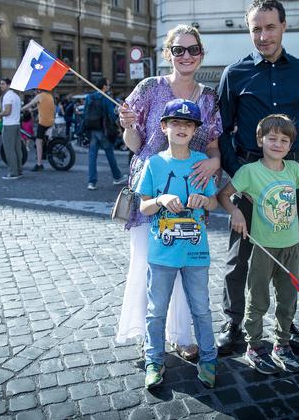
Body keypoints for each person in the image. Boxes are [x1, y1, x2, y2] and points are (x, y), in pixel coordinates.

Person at [215, 0, 299, 356]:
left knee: (284, 255)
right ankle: (234, 325)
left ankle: (284, 326)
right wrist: (241, 172)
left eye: (270, 27)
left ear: (284, 26)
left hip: (291, 180)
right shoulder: (234, 74)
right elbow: (221, 130)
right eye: (255, 29)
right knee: (239, 259)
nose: (263, 36)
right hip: (249, 182)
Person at [116, 24, 223, 361]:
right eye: (179, 50)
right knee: (150, 264)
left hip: (191, 186)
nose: (186, 56)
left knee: (183, 261)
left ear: (201, 54)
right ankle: (149, 336)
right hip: (151, 187)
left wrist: (213, 164)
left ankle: (181, 334)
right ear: (168, 54)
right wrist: (129, 125)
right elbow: (134, 146)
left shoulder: (208, 96)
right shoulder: (148, 87)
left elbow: (215, 147)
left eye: (192, 50)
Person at [136, 98, 218, 390]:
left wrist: (203, 200)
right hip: (162, 252)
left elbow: (214, 201)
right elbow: (144, 206)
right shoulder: (155, 163)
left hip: (196, 251)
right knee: (156, 310)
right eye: (175, 123)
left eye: (188, 124)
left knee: (201, 309)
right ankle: (154, 361)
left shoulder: (200, 163)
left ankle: (209, 358)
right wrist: (159, 200)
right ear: (164, 127)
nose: (181, 128)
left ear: (194, 129)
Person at [218, 114, 299, 374]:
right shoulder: (249, 172)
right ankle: (254, 346)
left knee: (288, 299)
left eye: (284, 140)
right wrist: (236, 212)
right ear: (260, 140)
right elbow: (223, 195)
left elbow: (298, 195)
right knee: (258, 299)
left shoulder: (295, 169)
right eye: (272, 138)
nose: (278, 144)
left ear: (290, 145)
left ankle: (282, 344)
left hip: (292, 246)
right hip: (263, 248)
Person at [82, 78, 128, 189]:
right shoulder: (106, 98)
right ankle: (117, 177)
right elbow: (111, 115)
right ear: (104, 86)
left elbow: (85, 113)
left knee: (92, 156)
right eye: (108, 85)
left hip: (92, 130)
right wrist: (116, 126)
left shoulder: (89, 97)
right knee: (109, 154)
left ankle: (91, 182)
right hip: (103, 130)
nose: (109, 86)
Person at [0, 78, 23, 180]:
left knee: (9, 150)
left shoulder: (8, 96)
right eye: (0, 84)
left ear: (9, 85)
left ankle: (13, 172)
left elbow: (7, 112)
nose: (0, 86)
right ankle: (19, 171)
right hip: (16, 124)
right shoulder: (16, 96)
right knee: (17, 149)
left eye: (2, 84)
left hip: (9, 125)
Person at [22, 89, 55, 171]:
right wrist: (33, 110)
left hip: (43, 122)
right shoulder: (50, 96)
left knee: (38, 142)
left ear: (39, 90)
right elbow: (42, 105)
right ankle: (45, 153)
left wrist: (19, 109)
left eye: (36, 90)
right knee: (45, 139)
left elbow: (29, 104)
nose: (35, 92)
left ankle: (39, 164)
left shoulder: (39, 96)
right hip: (51, 121)